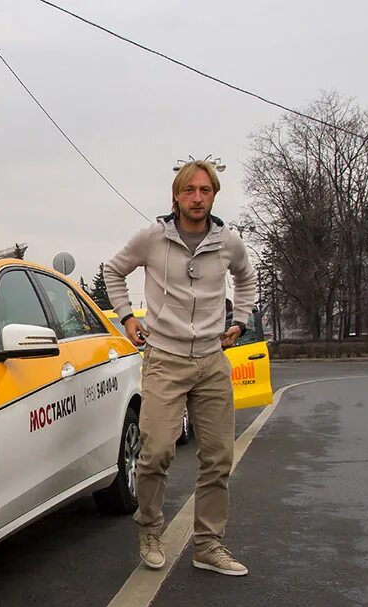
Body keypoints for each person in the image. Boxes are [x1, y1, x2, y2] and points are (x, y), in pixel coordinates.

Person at [103, 160, 256, 577]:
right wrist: (127, 318)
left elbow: (247, 278)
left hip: (210, 359)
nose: (197, 198)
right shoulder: (152, 238)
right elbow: (113, 270)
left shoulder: (227, 242)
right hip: (165, 358)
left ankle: (208, 544)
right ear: (176, 195)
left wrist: (239, 320)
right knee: (156, 452)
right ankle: (150, 529)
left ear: (214, 196)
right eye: (190, 190)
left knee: (218, 458)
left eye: (205, 191)